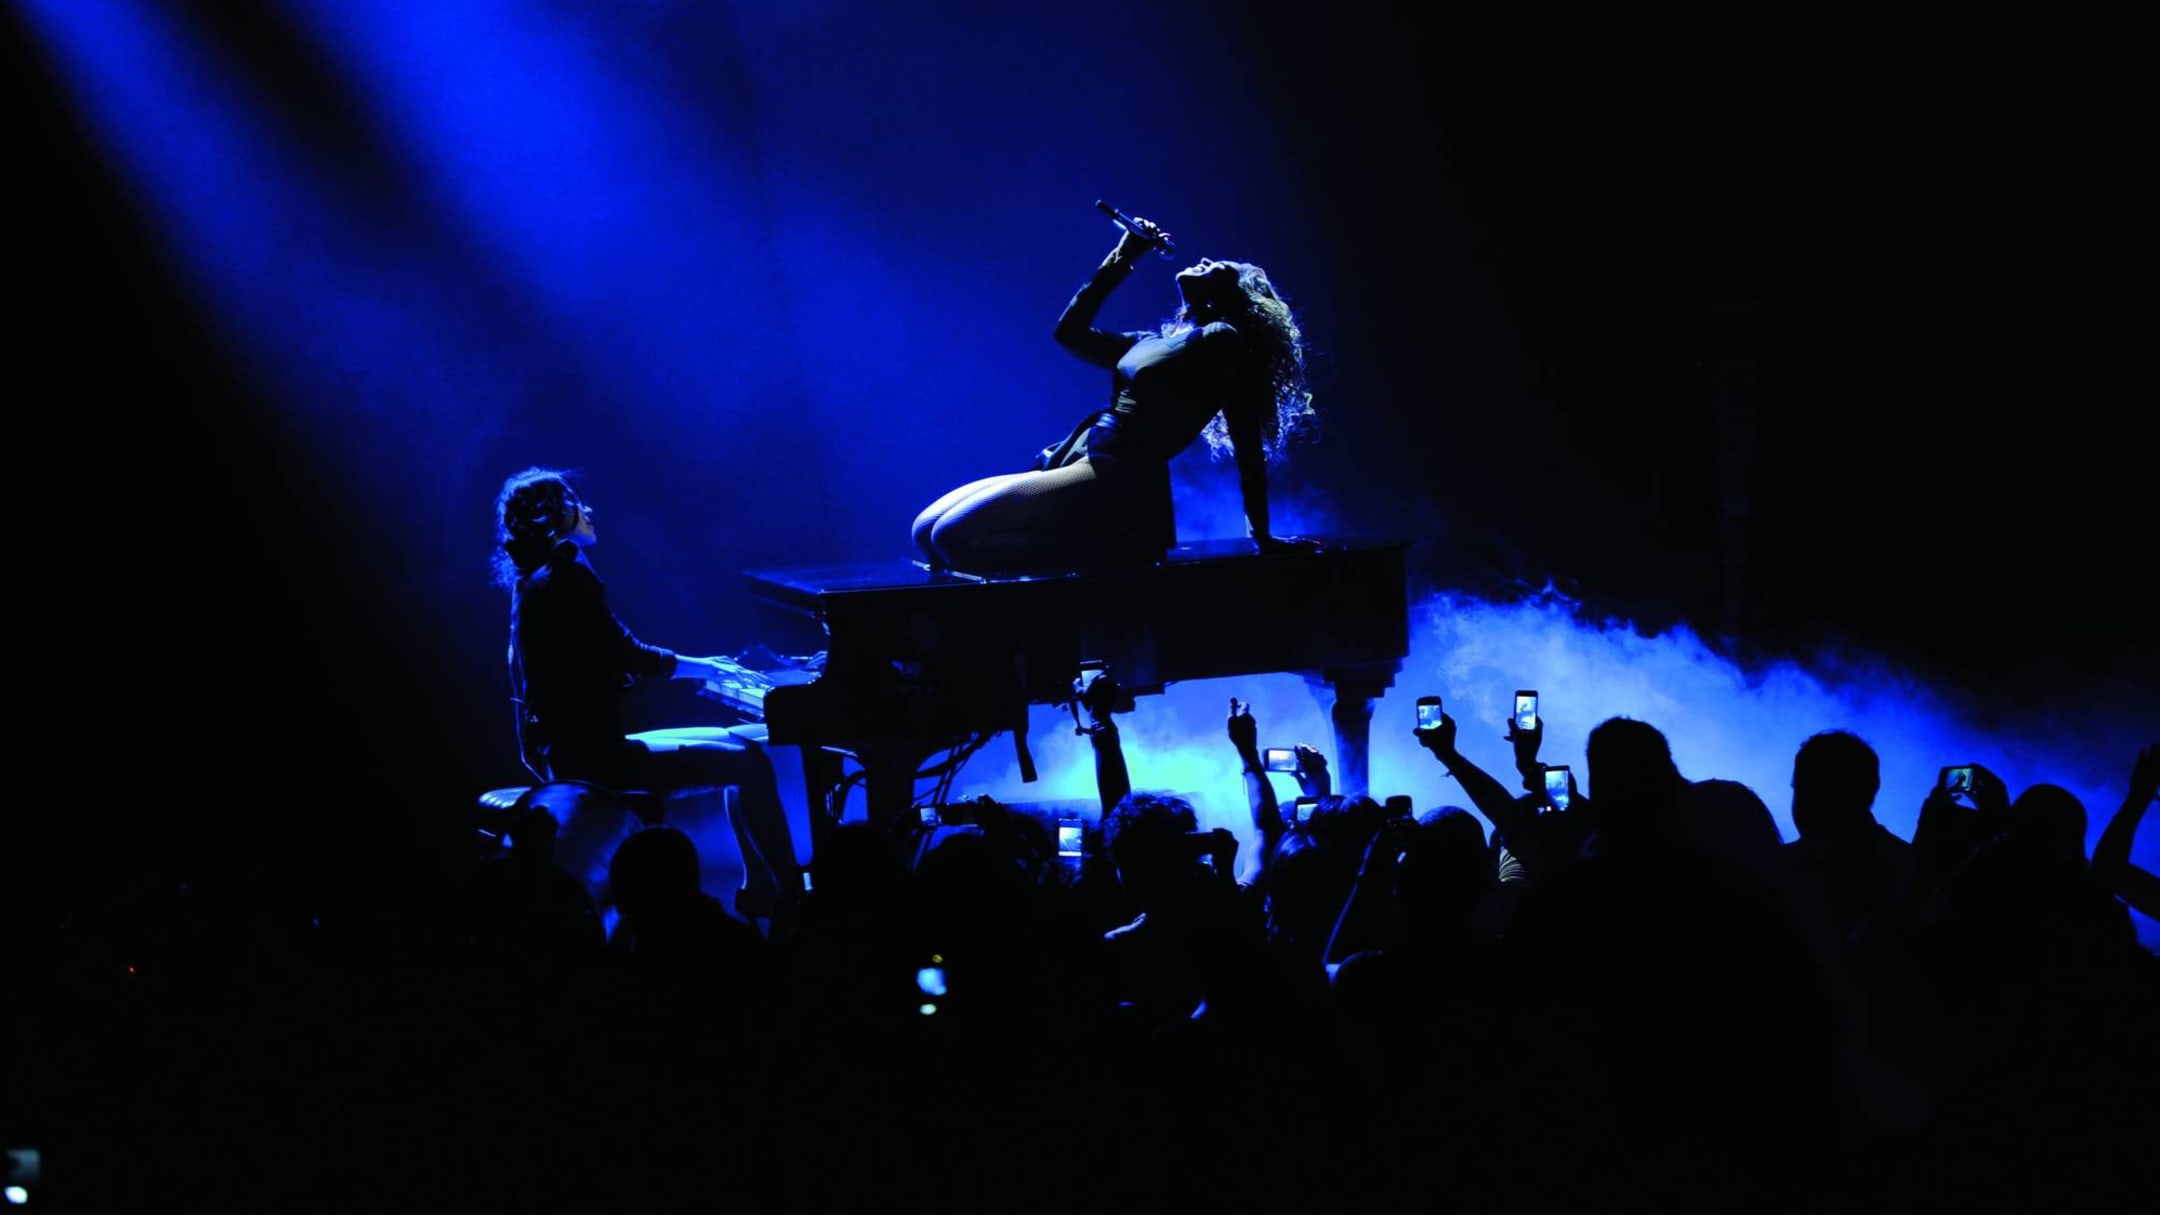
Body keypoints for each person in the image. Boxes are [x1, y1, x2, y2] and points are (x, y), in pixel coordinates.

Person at [911, 213, 1319, 573]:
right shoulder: (1152, 341)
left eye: (1221, 268)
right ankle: (1108, 550)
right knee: (926, 532)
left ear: (1230, 297)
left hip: (1120, 472)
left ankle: (1111, 550)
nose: (1206, 261)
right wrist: (1124, 254)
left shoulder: (1223, 340)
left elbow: (1247, 442)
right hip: (1085, 452)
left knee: (951, 538)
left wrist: (1260, 535)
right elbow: (1069, 333)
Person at [492, 466, 802, 914]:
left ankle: (762, 888)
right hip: (596, 759)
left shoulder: (533, 581)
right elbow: (631, 655)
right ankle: (790, 898)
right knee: (751, 765)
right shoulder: (565, 577)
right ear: (555, 514)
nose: (588, 510)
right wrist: (709, 669)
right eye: (577, 503)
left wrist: (706, 668)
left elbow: (597, 660)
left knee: (736, 744)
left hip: (570, 749)